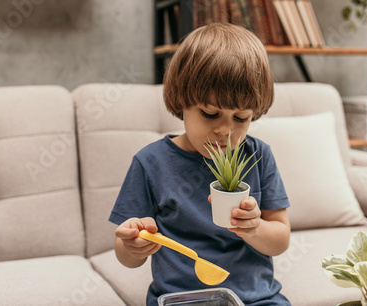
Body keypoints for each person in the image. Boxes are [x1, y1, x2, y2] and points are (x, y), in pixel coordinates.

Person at [109, 23, 291, 305]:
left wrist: (255, 228)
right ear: (181, 101)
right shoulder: (150, 163)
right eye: (209, 113)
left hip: (257, 299)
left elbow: (280, 239)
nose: (224, 130)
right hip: (181, 299)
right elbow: (125, 256)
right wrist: (134, 245)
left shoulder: (258, 156)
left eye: (241, 118)